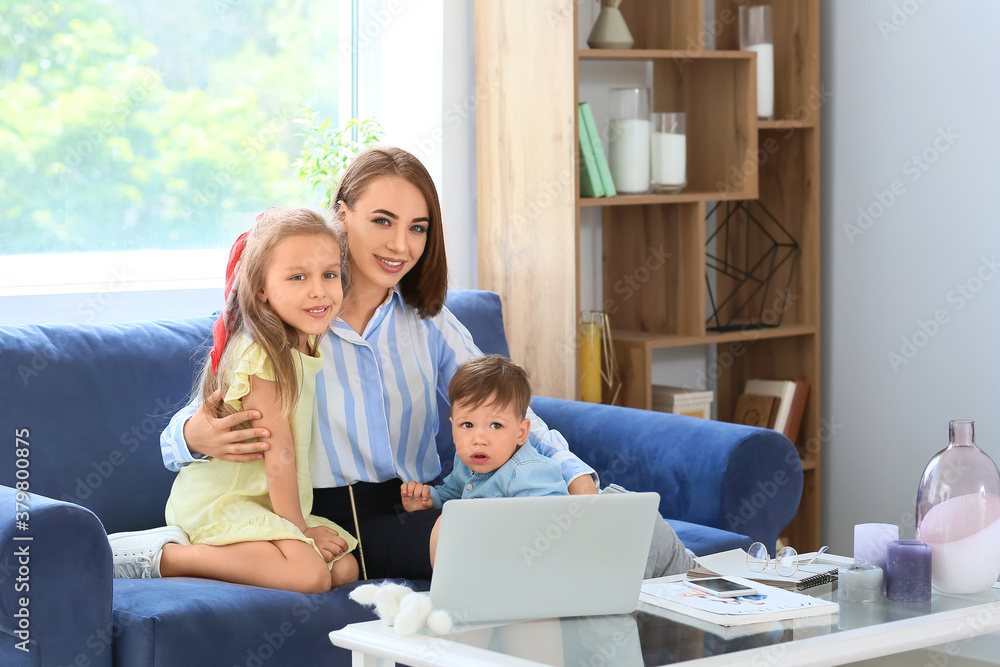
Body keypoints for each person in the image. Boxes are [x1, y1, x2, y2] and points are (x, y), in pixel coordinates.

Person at [157, 147, 692, 580]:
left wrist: (575, 472)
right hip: (329, 511)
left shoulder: (428, 322)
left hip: (416, 501)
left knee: (568, 531)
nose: (400, 244)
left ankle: (695, 593)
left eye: (418, 227)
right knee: (497, 547)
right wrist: (191, 435)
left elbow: (502, 406)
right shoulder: (288, 322)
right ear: (340, 214)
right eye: (382, 221)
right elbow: (208, 413)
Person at [111, 208, 358, 593]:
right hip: (221, 502)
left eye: (329, 274)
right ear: (261, 288)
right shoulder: (262, 355)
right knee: (310, 575)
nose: (319, 290)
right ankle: (163, 556)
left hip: (260, 503)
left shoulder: (304, 339)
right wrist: (301, 529)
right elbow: (280, 455)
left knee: (343, 570)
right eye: (298, 277)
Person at [399, 354, 568, 563]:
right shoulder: (467, 461)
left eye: (496, 425)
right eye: (467, 425)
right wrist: (430, 499)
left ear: (521, 433)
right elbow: (454, 493)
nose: (478, 439)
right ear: (453, 429)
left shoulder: (529, 473)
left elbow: (553, 525)